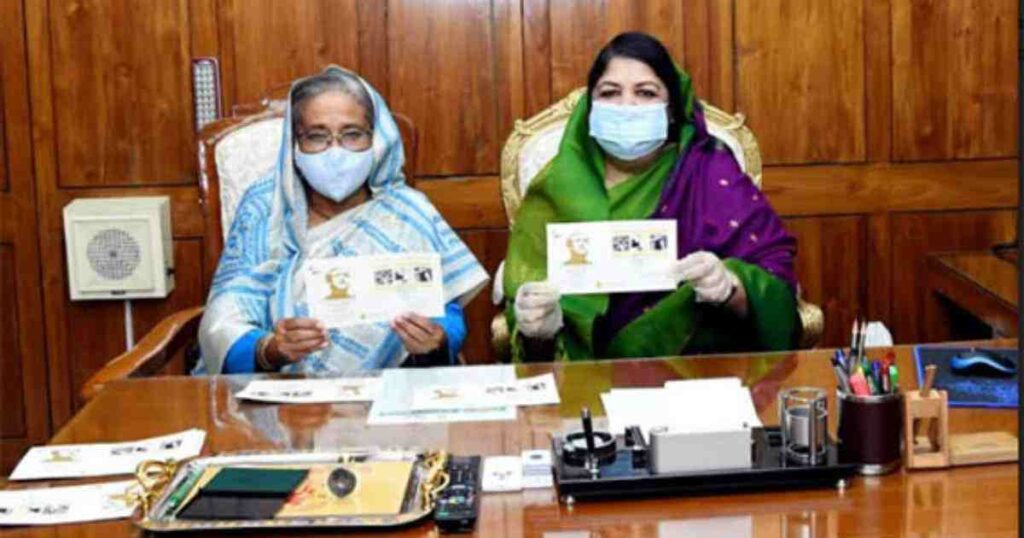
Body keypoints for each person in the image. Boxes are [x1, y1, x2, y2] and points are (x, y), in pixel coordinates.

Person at [504, 32, 799, 361]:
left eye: (646, 93)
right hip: (581, 378)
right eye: (610, 93)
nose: (627, 106)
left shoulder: (709, 171)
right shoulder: (555, 186)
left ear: (671, 109)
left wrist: (731, 285)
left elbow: (775, 282)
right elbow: (529, 328)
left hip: (695, 374)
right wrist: (538, 329)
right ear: (590, 107)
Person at [197, 66, 489, 374]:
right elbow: (224, 321)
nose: (335, 152)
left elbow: (445, 310)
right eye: (316, 136)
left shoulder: (407, 211)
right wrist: (269, 349)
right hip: (282, 392)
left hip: (389, 389)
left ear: (376, 140)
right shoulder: (266, 208)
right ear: (294, 145)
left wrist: (435, 340)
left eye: (352, 134)